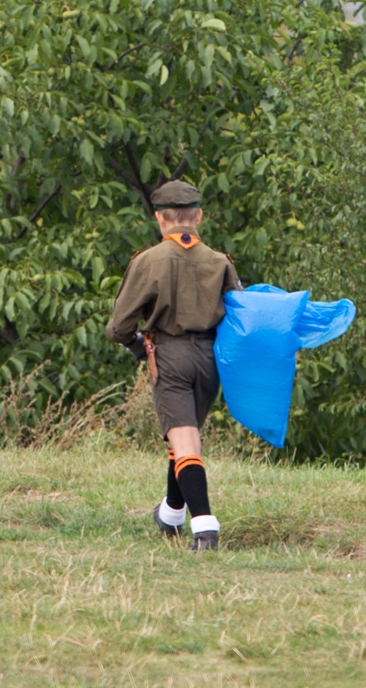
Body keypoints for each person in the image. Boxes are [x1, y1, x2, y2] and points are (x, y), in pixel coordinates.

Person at [106, 181, 240, 551]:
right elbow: (240, 316)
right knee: (184, 436)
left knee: (185, 443)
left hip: (170, 357)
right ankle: (170, 514)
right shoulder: (221, 262)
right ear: (198, 216)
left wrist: (135, 344)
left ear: (160, 219)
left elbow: (118, 327)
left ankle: (205, 528)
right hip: (210, 361)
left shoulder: (148, 261)